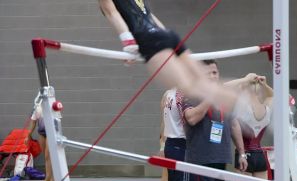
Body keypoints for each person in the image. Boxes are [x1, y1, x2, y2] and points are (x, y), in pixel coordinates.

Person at [98, 0, 236, 108]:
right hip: (166, 35)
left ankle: (240, 102)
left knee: (190, 87)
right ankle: (242, 98)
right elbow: (149, 15)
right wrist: (165, 38)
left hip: (150, 40)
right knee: (202, 82)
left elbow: (112, 13)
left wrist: (130, 46)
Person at [182, 60, 247, 181]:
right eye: (208, 73)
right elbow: (192, 118)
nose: (213, 76)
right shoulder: (191, 94)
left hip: (220, 155)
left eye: (215, 73)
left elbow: (233, 124)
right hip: (201, 158)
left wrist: (242, 152)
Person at [224, 73, 273, 181]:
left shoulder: (241, 105)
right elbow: (274, 95)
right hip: (260, 155)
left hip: (243, 155)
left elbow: (224, 88)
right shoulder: (267, 106)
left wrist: (244, 79)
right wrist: (265, 85)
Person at [159, 87, 195, 181]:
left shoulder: (168, 93)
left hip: (170, 145)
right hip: (183, 146)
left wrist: (163, 145)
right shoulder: (184, 95)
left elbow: (163, 122)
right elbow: (190, 123)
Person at [25, 105, 54, 181]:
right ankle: (51, 177)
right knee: (46, 156)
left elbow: (57, 121)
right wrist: (28, 136)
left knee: (48, 155)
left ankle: (48, 178)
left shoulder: (52, 105)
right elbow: (33, 122)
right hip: (42, 133)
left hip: (51, 133)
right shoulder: (37, 107)